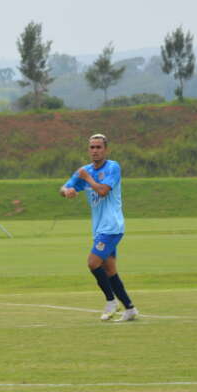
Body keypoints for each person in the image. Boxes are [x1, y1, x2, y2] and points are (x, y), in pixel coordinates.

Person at [59, 133, 137, 321]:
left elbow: (102, 191)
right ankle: (129, 308)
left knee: (93, 263)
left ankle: (111, 301)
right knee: (110, 270)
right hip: (99, 228)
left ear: (106, 149)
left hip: (112, 226)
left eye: (98, 147)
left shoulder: (112, 167)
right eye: (92, 147)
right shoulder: (84, 171)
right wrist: (67, 191)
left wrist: (87, 179)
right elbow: (64, 188)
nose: (95, 150)